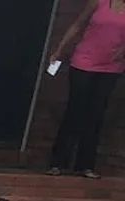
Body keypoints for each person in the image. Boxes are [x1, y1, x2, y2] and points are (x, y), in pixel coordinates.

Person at [50, 0, 125, 177]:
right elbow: (78, 24)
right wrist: (59, 49)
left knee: (96, 113)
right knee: (75, 109)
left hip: (110, 67)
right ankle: (58, 162)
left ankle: (85, 165)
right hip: (83, 61)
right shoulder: (99, 2)